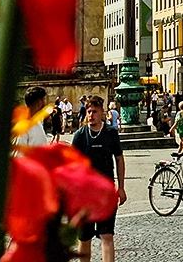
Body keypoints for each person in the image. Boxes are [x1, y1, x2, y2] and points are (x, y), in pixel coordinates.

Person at [72, 96, 127, 262]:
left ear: (102, 112)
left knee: (107, 235)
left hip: (107, 192)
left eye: (94, 111)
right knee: (84, 237)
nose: (91, 115)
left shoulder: (110, 132)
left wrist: (121, 187)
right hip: (85, 194)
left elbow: (119, 158)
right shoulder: (80, 135)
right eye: (89, 111)